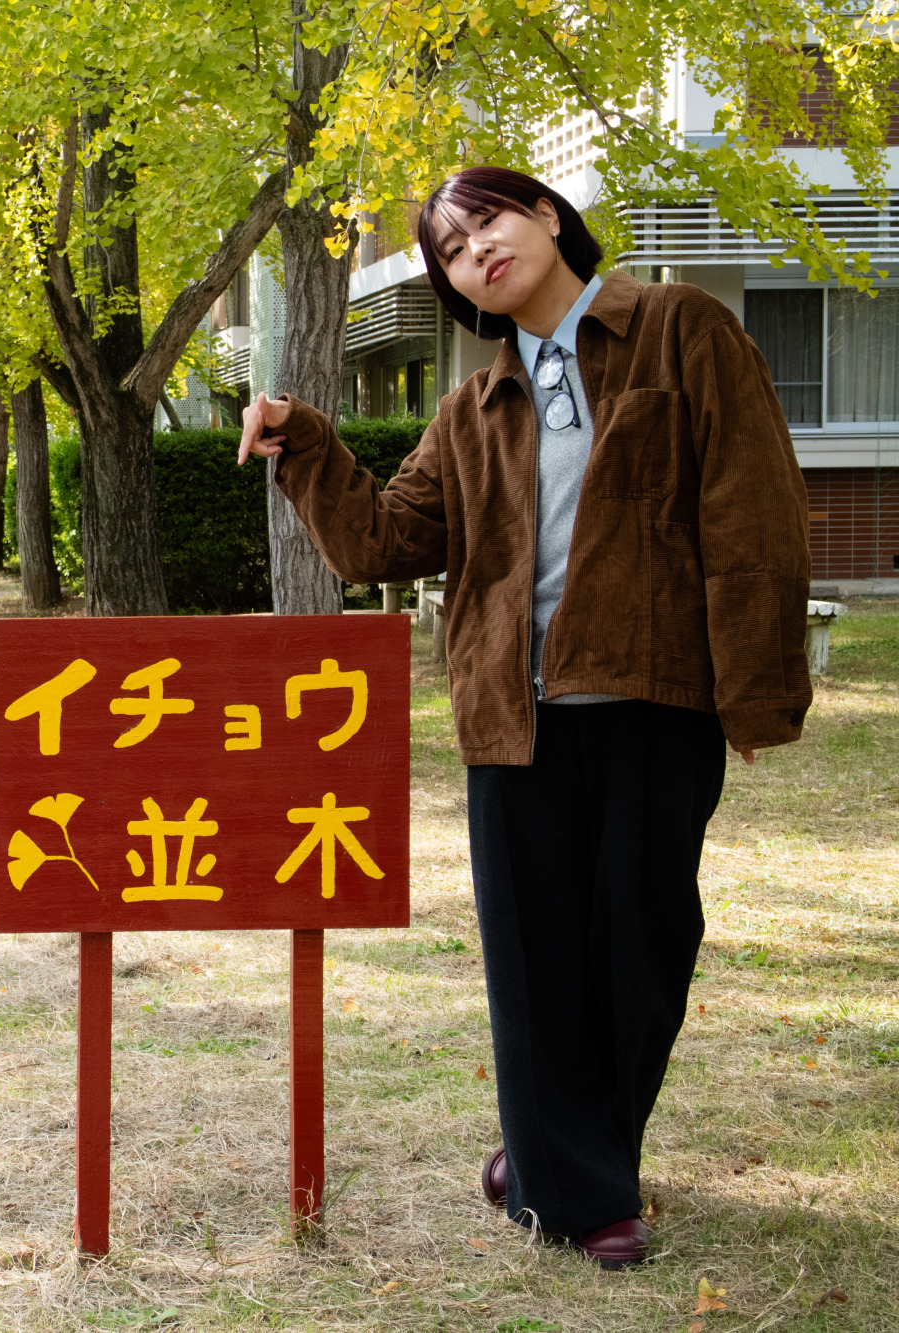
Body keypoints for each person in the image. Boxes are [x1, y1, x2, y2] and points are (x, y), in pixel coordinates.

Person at [237, 166, 809, 1270]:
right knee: (535, 961)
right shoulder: (472, 406)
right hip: (514, 719)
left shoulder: (678, 327)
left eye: (487, 221)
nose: (477, 253)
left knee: (641, 953)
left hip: (654, 697)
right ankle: (580, 1194)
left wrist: (754, 685)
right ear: (457, 289)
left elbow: (752, 510)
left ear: (545, 216)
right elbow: (381, 543)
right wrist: (303, 441)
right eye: (452, 251)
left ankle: (548, 1153)